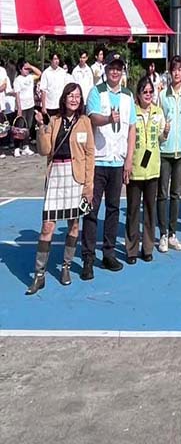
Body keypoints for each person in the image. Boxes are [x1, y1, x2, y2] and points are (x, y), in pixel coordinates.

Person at [25, 84, 94, 294]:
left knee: (74, 224)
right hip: (56, 175)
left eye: (77, 96)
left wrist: (89, 185)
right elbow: (44, 150)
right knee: (47, 227)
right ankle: (39, 275)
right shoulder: (54, 121)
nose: (74, 99)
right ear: (64, 98)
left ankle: (66, 267)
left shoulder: (85, 122)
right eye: (70, 96)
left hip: (76, 177)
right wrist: (41, 127)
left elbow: (90, 154)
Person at [82, 54, 137, 278]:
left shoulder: (128, 95)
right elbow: (93, 118)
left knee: (113, 209)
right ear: (105, 70)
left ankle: (108, 253)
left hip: (117, 161)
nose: (115, 72)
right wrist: (108, 119)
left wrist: (129, 159)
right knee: (91, 210)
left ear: (122, 71)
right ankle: (87, 258)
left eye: (118, 68)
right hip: (98, 160)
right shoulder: (97, 92)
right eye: (111, 68)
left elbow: (131, 128)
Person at [125, 76, 167, 264]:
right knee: (133, 211)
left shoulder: (158, 112)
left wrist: (166, 132)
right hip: (135, 168)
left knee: (150, 211)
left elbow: (161, 138)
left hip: (152, 168)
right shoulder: (132, 112)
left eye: (151, 91)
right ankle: (131, 249)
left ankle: (148, 248)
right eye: (145, 92)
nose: (148, 95)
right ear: (138, 94)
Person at [157, 56, 181, 254]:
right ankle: (162, 234)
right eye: (174, 69)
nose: (177, 73)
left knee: (176, 194)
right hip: (165, 150)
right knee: (162, 194)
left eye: (180, 69)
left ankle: (172, 233)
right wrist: (163, 132)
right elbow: (157, 119)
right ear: (170, 72)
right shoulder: (162, 95)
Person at [39, 53, 75, 117]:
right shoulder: (46, 73)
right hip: (49, 106)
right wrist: (43, 107)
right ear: (51, 60)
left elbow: (66, 88)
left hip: (60, 105)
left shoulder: (62, 72)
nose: (57, 61)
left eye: (58, 59)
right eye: (55, 59)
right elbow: (43, 91)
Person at [13, 61, 36, 157]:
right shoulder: (17, 80)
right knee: (19, 128)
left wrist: (31, 66)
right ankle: (16, 148)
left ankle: (25, 146)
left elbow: (39, 73)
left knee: (28, 127)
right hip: (22, 106)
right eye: (25, 68)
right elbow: (17, 95)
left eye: (28, 69)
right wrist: (19, 108)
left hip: (30, 105)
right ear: (20, 69)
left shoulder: (30, 77)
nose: (27, 70)